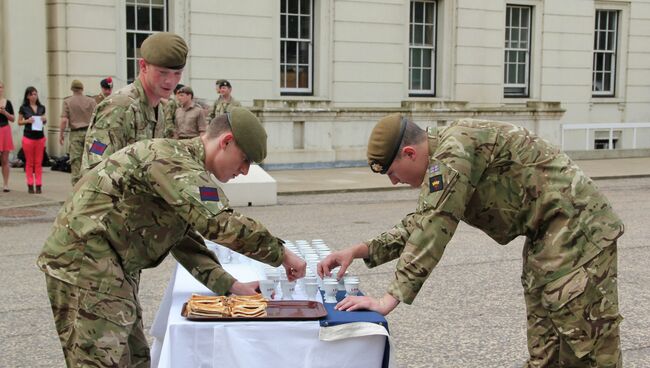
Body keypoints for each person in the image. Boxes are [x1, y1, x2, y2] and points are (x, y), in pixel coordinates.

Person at [319, 114, 624, 367]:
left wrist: (388, 299)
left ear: (410, 153)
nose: (394, 181)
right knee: (546, 350)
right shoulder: (445, 156)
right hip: (546, 237)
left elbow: (434, 225)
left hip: (578, 229)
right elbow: (424, 219)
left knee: (590, 348)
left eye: (393, 173)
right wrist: (360, 250)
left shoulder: (453, 153)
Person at [38, 107, 307, 367]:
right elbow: (218, 222)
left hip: (107, 263)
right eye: (245, 159)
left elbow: (183, 237)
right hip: (85, 263)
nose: (245, 171)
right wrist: (281, 254)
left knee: (136, 357)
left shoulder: (185, 165)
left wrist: (230, 286)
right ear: (226, 142)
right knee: (103, 361)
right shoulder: (174, 161)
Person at [80, 32, 183, 175]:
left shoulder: (159, 108)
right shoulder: (119, 106)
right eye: (163, 72)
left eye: (177, 73)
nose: (170, 81)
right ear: (143, 66)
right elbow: (95, 169)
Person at [59, 80, 97, 185]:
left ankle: (77, 189)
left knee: (76, 162)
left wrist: (61, 135)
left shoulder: (67, 101)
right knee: (94, 160)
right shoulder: (92, 101)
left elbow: (64, 120)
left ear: (72, 89)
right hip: (91, 134)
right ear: (82, 89)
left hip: (75, 134)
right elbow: (97, 118)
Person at [17, 86, 47, 194]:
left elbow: (43, 121)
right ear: (27, 96)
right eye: (32, 94)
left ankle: (38, 185)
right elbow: (19, 122)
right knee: (29, 162)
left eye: (35, 94)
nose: (34, 96)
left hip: (40, 137)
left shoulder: (41, 107)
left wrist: (44, 120)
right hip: (28, 137)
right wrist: (27, 121)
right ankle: (30, 184)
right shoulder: (23, 108)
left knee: (38, 162)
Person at [0, 80, 15, 192]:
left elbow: (13, 119)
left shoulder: (7, 103)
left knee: (5, 159)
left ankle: (5, 184)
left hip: (5, 129)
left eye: (1, 87)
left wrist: (5, 113)